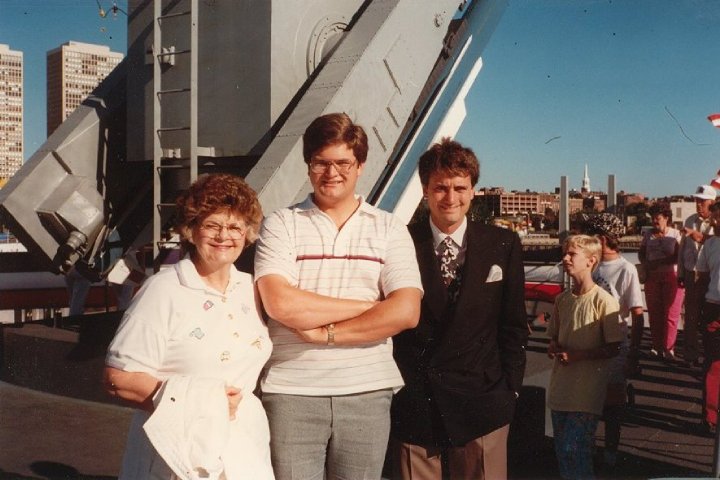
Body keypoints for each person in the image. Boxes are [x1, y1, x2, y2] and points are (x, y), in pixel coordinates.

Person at [254, 112, 423, 479]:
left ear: (360, 165)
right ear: (308, 165)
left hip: (367, 390)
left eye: (343, 162)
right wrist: (372, 308)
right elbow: (281, 303)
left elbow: (407, 312)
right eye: (321, 162)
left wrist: (326, 333)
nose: (332, 172)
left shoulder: (389, 228)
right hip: (291, 391)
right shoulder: (280, 223)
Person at [103, 174, 273, 479]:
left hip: (243, 448)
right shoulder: (163, 290)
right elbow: (118, 378)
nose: (224, 236)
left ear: (247, 234)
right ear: (191, 230)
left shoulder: (252, 288)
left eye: (234, 226)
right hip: (178, 454)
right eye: (212, 225)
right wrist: (206, 405)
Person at [389, 138, 527, 479]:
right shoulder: (399, 242)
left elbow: (513, 326)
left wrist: (509, 391)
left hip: (483, 400)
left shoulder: (502, 244)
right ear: (424, 191)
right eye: (440, 188)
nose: (450, 198)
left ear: (473, 190)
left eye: (459, 187)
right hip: (418, 399)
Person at [547, 234, 623, 480]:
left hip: (586, 392)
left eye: (572, 254)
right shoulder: (562, 300)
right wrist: (554, 347)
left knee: (575, 449)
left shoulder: (604, 301)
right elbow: (555, 337)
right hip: (561, 391)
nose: (565, 258)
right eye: (565, 253)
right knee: (563, 454)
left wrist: (579, 355)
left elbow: (614, 348)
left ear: (591, 261)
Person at [583, 213, 645, 468]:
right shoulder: (588, 264)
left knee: (612, 404)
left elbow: (637, 313)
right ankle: (587, 448)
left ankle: (610, 453)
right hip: (587, 340)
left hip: (615, 341)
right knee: (587, 400)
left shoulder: (626, 268)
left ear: (602, 238)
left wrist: (634, 353)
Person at [639, 205, 684, 360]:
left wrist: (659, 262)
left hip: (672, 277)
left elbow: (679, 255)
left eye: (657, 218)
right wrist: (645, 263)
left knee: (671, 314)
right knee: (654, 313)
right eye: (653, 218)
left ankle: (668, 347)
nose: (654, 222)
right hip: (652, 278)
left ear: (666, 218)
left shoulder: (676, 234)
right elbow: (641, 253)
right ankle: (657, 346)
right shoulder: (648, 234)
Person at [678, 185, 716, 366]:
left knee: (708, 319)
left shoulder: (717, 222)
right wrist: (681, 273)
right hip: (692, 274)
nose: (698, 204)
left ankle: (709, 353)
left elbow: (713, 240)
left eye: (702, 201)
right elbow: (682, 249)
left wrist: (695, 235)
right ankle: (690, 355)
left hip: (710, 276)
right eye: (697, 200)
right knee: (690, 317)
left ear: (712, 202)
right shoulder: (689, 220)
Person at [695, 201, 720, 426]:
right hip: (714, 307)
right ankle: (710, 416)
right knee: (713, 364)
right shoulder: (709, 245)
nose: (716, 222)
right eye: (714, 218)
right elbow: (701, 280)